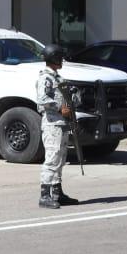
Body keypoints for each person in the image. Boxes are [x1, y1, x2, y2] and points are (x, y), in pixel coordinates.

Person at [36, 45, 80, 209]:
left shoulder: (57, 78)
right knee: (52, 159)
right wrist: (59, 107)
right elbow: (42, 99)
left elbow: (68, 98)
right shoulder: (46, 78)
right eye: (60, 57)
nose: (62, 60)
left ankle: (57, 192)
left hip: (62, 123)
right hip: (52, 124)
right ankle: (45, 195)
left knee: (60, 159)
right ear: (54, 58)